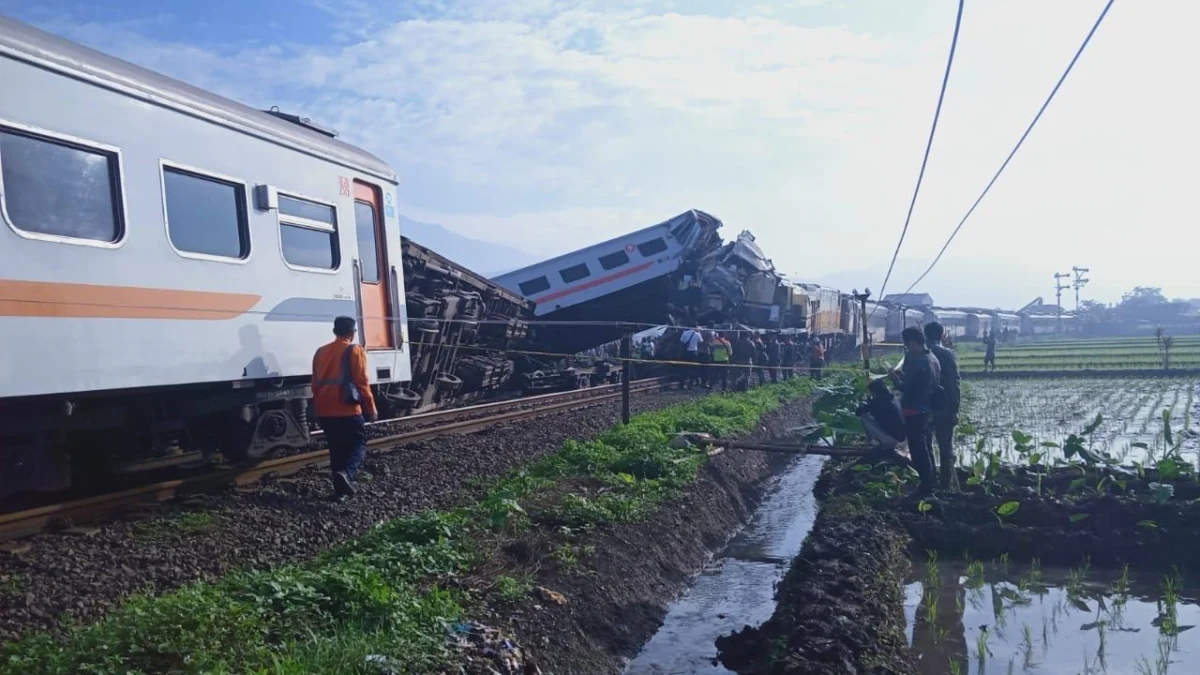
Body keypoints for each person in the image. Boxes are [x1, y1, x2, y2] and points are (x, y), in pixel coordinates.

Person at [312, 316, 377, 501]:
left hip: (325, 409)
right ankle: (346, 474)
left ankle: (339, 494)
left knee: (336, 449)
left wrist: (318, 409)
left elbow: (314, 384)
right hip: (347, 409)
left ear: (335, 331)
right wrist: (371, 408)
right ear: (352, 332)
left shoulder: (320, 352)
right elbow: (362, 382)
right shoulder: (354, 350)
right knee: (358, 445)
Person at [890, 327, 939, 497]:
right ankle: (931, 481)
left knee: (918, 449)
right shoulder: (931, 357)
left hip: (915, 409)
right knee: (926, 447)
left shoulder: (919, 360)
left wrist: (894, 377)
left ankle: (926, 486)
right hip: (926, 408)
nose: (907, 347)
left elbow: (906, 386)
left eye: (907, 343)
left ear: (912, 342)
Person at [925, 321, 961, 490]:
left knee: (926, 447)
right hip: (944, 406)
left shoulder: (918, 353)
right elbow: (954, 384)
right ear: (942, 335)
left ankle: (929, 481)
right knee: (946, 448)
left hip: (924, 407)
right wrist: (955, 409)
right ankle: (946, 485)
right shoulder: (947, 355)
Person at [857, 377, 907, 452]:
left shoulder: (877, 402)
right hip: (902, 437)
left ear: (873, 392)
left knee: (864, 417)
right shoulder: (892, 398)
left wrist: (865, 402)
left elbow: (858, 412)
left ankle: (875, 442)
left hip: (891, 440)